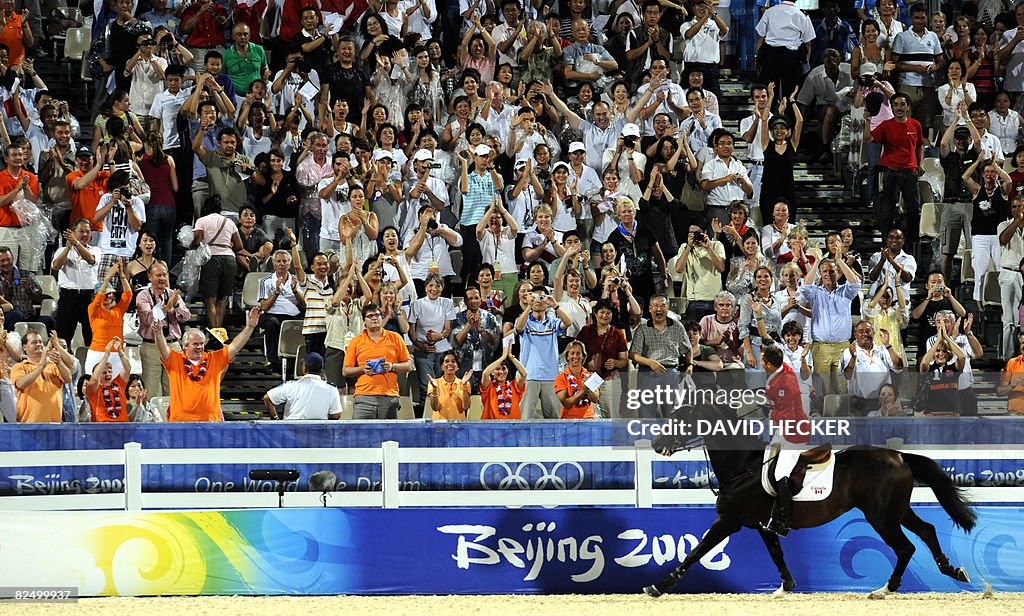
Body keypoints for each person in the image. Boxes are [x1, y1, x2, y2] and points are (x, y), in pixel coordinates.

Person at [154, 307, 260, 422]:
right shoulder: (175, 360)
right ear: (185, 346)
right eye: (195, 344)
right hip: (181, 422)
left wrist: (250, 327)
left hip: (210, 421)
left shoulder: (213, 359)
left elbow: (235, 346)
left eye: (201, 344)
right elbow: (162, 348)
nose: (199, 347)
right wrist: (158, 332)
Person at [759, 343, 810, 537]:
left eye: (763, 360)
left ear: (770, 365)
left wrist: (770, 412)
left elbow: (787, 416)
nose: (761, 362)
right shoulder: (781, 369)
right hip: (784, 429)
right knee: (767, 461)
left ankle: (785, 521)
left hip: (795, 433)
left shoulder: (786, 384)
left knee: (780, 473)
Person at [800, 255, 863, 395]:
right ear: (820, 274)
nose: (828, 274)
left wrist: (839, 260)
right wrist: (816, 261)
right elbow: (805, 286)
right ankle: (823, 416)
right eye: (824, 272)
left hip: (842, 346)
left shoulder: (845, 292)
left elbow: (855, 283)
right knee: (822, 389)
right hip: (821, 347)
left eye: (832, 271)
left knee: (842, 388)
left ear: (837, 273)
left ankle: (842, 416)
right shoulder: (815, 292)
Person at [868, 92, 925, 243]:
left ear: (908, 107)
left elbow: (920, 146)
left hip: (910, 172)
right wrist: (867, 121)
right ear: (892, 107)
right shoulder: (886, 125)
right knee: (887, 210)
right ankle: (886, 241)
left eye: (902, 104)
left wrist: (921, 164)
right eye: (896, 105)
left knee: (914, 209)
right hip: (890, 171)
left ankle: (912, 243)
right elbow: (868, 138)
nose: (899, 108)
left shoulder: (916, 125)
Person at [342, 302, 414, 420]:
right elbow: (345, 371)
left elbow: (409, 365)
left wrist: (392, 366)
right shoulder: (356, 341)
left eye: (377, 315)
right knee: (361, 436)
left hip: (388, 397)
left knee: (388, 437)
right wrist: (362, 369)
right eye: (370, 316)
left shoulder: (395, 337)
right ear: (364, 321)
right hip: (364, 397)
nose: (374, 318)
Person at [629, 295, 691, 419]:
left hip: (671, 373)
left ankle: (673, 438)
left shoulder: (677, 327)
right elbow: (633, 354)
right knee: (646, 415)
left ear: (668, 309)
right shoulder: (643, 328)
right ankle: (647, 438)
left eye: (663, 306)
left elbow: (687, 349)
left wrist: (690, 365)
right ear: (650, 309)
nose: (659, 309)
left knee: (671, 415)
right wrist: (650, 362)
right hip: (647, 373)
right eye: (656, 306)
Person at [516, 286, 572, 419]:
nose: (538, 301)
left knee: (554, 419)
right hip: (528, 376)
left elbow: (568, 322)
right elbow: (518, 327)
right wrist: (529, 306)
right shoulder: (525, 321)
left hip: (551, 376)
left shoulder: (552, 322)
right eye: (535, 297)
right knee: (524, 418)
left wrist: (555, 306)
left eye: (541, 298)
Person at [962, 155, 1012, 304]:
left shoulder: (1002, 191)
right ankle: (979, 306)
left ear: (997, 173)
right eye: (987, 172)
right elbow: (965, 177)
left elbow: (1009, 181)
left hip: (998, 237)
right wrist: (977, 161)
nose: (990, 174)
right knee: (980, 271)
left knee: (1000, 270)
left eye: (993, 172)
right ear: (983, 174)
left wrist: (996, 166)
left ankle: (1002, 301)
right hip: (980, 236)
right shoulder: (977, 190)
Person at [892, 3, 943, 134]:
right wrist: (914, 68)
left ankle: (922, 153)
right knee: (904, 124)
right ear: (911, 18)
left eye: (922, 18)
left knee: (925, 126)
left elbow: (941, 61)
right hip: (906, 86)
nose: (920, 21)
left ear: (927, 18)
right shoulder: (902, 37)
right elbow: (894, 65)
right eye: (917, 18)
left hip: (928, 86)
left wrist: (935, 66)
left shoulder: (933, 36)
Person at [52, 219, 100, 346]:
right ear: (72, 233)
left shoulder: (96, 250)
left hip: (89, 298)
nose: (85, 234)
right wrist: (68, 248)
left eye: (88, 232)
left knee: (92, 338)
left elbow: (91, 260)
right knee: (63, 338)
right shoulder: (61, 250)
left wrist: (76, 243)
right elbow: (56, 266)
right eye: (81, 231)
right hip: (68, 297)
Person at [840, 319, 903, 416]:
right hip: (857, 403)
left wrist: (888, 345)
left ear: (873, 333)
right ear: (855, 334)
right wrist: (853, 357)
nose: (865, 334)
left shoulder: (883, 350)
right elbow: (847, 376)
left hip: (881, 403)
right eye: (861, 332)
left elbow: (898, 368)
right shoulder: (848, 352)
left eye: (868, 331)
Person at [755, 0, 815, 96]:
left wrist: (758, 58)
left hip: (771, 56)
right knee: (790, 93)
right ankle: (788, 110)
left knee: (769, 93)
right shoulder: (801, 15)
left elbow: (760, 37)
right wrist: (806, 63)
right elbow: (808, 43)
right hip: (791, 58)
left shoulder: (770, 12)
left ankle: (770, 110)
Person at [258, 250, 305, 371]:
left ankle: (297, 360)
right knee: (272, 323)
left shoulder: (297, 280)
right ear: (274, 264)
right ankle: (273, 361)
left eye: (284, 261)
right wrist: (276, 293)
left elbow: (304, 304)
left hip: (293, 314)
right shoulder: (265, 281)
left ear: (289, 264)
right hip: (272, 314)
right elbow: (264, 307)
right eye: (278, 261)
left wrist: (295, 291)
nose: (281, 264)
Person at [11, 331, 71, 423]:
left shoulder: (54, 366)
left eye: (40, 342)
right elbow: (20, 384)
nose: (39, 344)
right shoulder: (19, 367)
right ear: (24, 347)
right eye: (34, 342)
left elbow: (68, 379)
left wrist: (59, 362)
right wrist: (41, 366)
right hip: (28, 425)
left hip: (55, 424)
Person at [263, 352, 342, 420]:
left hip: (291, 432)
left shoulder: (291, 386)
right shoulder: (331, 389)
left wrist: (275, 419)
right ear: (321, 370)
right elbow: (336, 415)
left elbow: (267, 398)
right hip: (317, 434)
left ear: (304, 368)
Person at [676, 222, 727, 322]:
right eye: (691, 233)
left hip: (713, 299)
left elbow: (721, 268)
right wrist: (689, 247)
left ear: (705, 232)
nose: (695, 236)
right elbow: (679, 269)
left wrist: (708, 248)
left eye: (697, 233)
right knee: (694, 334)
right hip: (693, 300)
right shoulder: (684, 247)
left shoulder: (716, 245)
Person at [452, 286, 500, 392]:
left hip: (485, 365)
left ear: (480, 299)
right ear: (465, 301)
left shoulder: (489, 318)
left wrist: (480, 329)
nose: (474, 301)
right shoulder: (458, 318)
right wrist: (469, 325)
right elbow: (457, 341)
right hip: (464, 366)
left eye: (476, 298)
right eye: (470, 298)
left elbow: (494, 341)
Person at [918, 325, 967, 416]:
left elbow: (962, 357)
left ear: (949, 354)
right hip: (933, 414)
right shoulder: (930, 369)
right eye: (937, 351)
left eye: (944, 351)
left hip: (952, 414)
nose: (941, 354)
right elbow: (924, 363)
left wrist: (946, 338)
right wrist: (938, 341)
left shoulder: (953, 368)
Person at [997, 198, 1024, 359]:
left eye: (1020, 206)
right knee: (1009, 319)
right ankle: (1007, 359)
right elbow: (1003, 240)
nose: (1016, 209)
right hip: (1008, 274)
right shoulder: (1004, 225)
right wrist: (1017, 221)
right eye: (1014, 207)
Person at [86, 337, 132, 423]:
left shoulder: (118, 384)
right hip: (102, 428)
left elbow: (127, 369)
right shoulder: (94, 388)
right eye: (104, 372)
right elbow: (95, 379)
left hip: (123, 426)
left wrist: (120, 351)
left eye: (110, 372)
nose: (108, 374)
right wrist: (106, 354)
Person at [479, 344, 528, 420]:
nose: (501, 372)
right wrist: (503, 357)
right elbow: (485, 374)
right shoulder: (489, 387)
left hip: (512, 428)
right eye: (497, 369)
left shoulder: (514, 386)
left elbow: (524, 374)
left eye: (504, 368)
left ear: (508, 371)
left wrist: (511, 357)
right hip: (491, 429)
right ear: (492, 372)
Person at [555, 340, 599, 419]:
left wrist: (588, 389)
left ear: (583, 356)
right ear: (567, 356)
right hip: (568, 420)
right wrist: (583, 390)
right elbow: (567, 404)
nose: (575, 356)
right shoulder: (560, 378)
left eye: (578, 353)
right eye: (572, 353)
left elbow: (596, 399)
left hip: (588, 419)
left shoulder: (591, 376)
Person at [427, 350, 472, 420]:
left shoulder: (464, 383)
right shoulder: (434, 383)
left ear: (457, 366)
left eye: (453, 361)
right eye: (446, 361)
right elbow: (435, 408)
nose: (450, 364)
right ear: (442, 366)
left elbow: (466, 407)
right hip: (439, 426)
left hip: (459, 426)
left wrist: (464, 386)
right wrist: (435, 389)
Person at [997, 331, 1024, 415]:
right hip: (1014, 415)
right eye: (1023, 343)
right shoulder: (1012, 363)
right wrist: (1012, 385)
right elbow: (1000, 392)